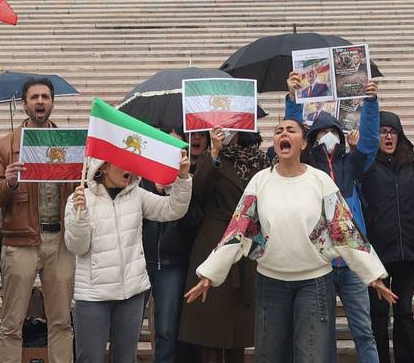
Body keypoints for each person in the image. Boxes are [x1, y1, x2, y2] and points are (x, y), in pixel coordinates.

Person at [187, 117, 396, 363]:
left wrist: (372, 274)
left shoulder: (320, 181)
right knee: (270, 356)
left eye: (290, 130)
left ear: (303, 143)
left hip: (314, 283)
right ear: (275, 143)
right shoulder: (260, 181)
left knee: (312, 357)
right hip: (270, 282)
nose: (283, 133)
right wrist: (210, 272)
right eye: (278, 131)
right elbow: (238, 230)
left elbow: (344, 230)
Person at [282, 74, 382, 363]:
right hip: (320, 262)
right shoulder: (308, 164)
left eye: (333, 131)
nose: (328, 136)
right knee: (321, 336)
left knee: (364, 331)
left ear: (340, 134)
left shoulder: (353, 163)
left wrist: (371, 103)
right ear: (311, 140)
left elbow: (371, 142)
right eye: (321, 132)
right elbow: (291, 134)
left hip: (352, 262)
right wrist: (293, 100)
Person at [65, 150, 192, 363]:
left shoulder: (137, 195)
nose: (130, 169)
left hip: (131, 294)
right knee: (90, 359)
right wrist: (80, 217)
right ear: (103, 167)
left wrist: (183, 178)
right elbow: (77, 248)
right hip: (93, 296)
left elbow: (173, 209)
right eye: (123, 163)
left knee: (125, 359)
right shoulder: (79, 198)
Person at [0, 78, 77, 363]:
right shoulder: (5, 145)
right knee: (12, 322)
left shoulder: (68, 143)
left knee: (62, 321)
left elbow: (80, 187)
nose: (40, 101)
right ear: (24, 103)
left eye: (46, 97)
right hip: (20, 241)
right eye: (34, 97)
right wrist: (10, 183)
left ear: (52, 102)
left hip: (60, 240)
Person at [179, 126, 269, 363]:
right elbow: (196, 191)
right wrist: (215, 152)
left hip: (247, 243)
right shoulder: (211, 157)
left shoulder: (260, 159)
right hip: (213, 240)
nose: (226, 129)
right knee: (211, 325)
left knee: (239, 327)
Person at [362, 112, 414, 363]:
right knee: (378, 313)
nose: (388, 137)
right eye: (382, 132)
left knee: (404, 311)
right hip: (378, 252)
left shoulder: (412, 165)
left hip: (407, 250)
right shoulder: (367, 165)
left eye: (392, 132)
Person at [142, 130, 202, 363]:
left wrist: (172, 189)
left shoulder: (189, 180)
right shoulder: (140, 178)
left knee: (167, 330)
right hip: (139, 261)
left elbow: (193, 221)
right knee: (126, 326)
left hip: (172, 264)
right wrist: (154, 191)